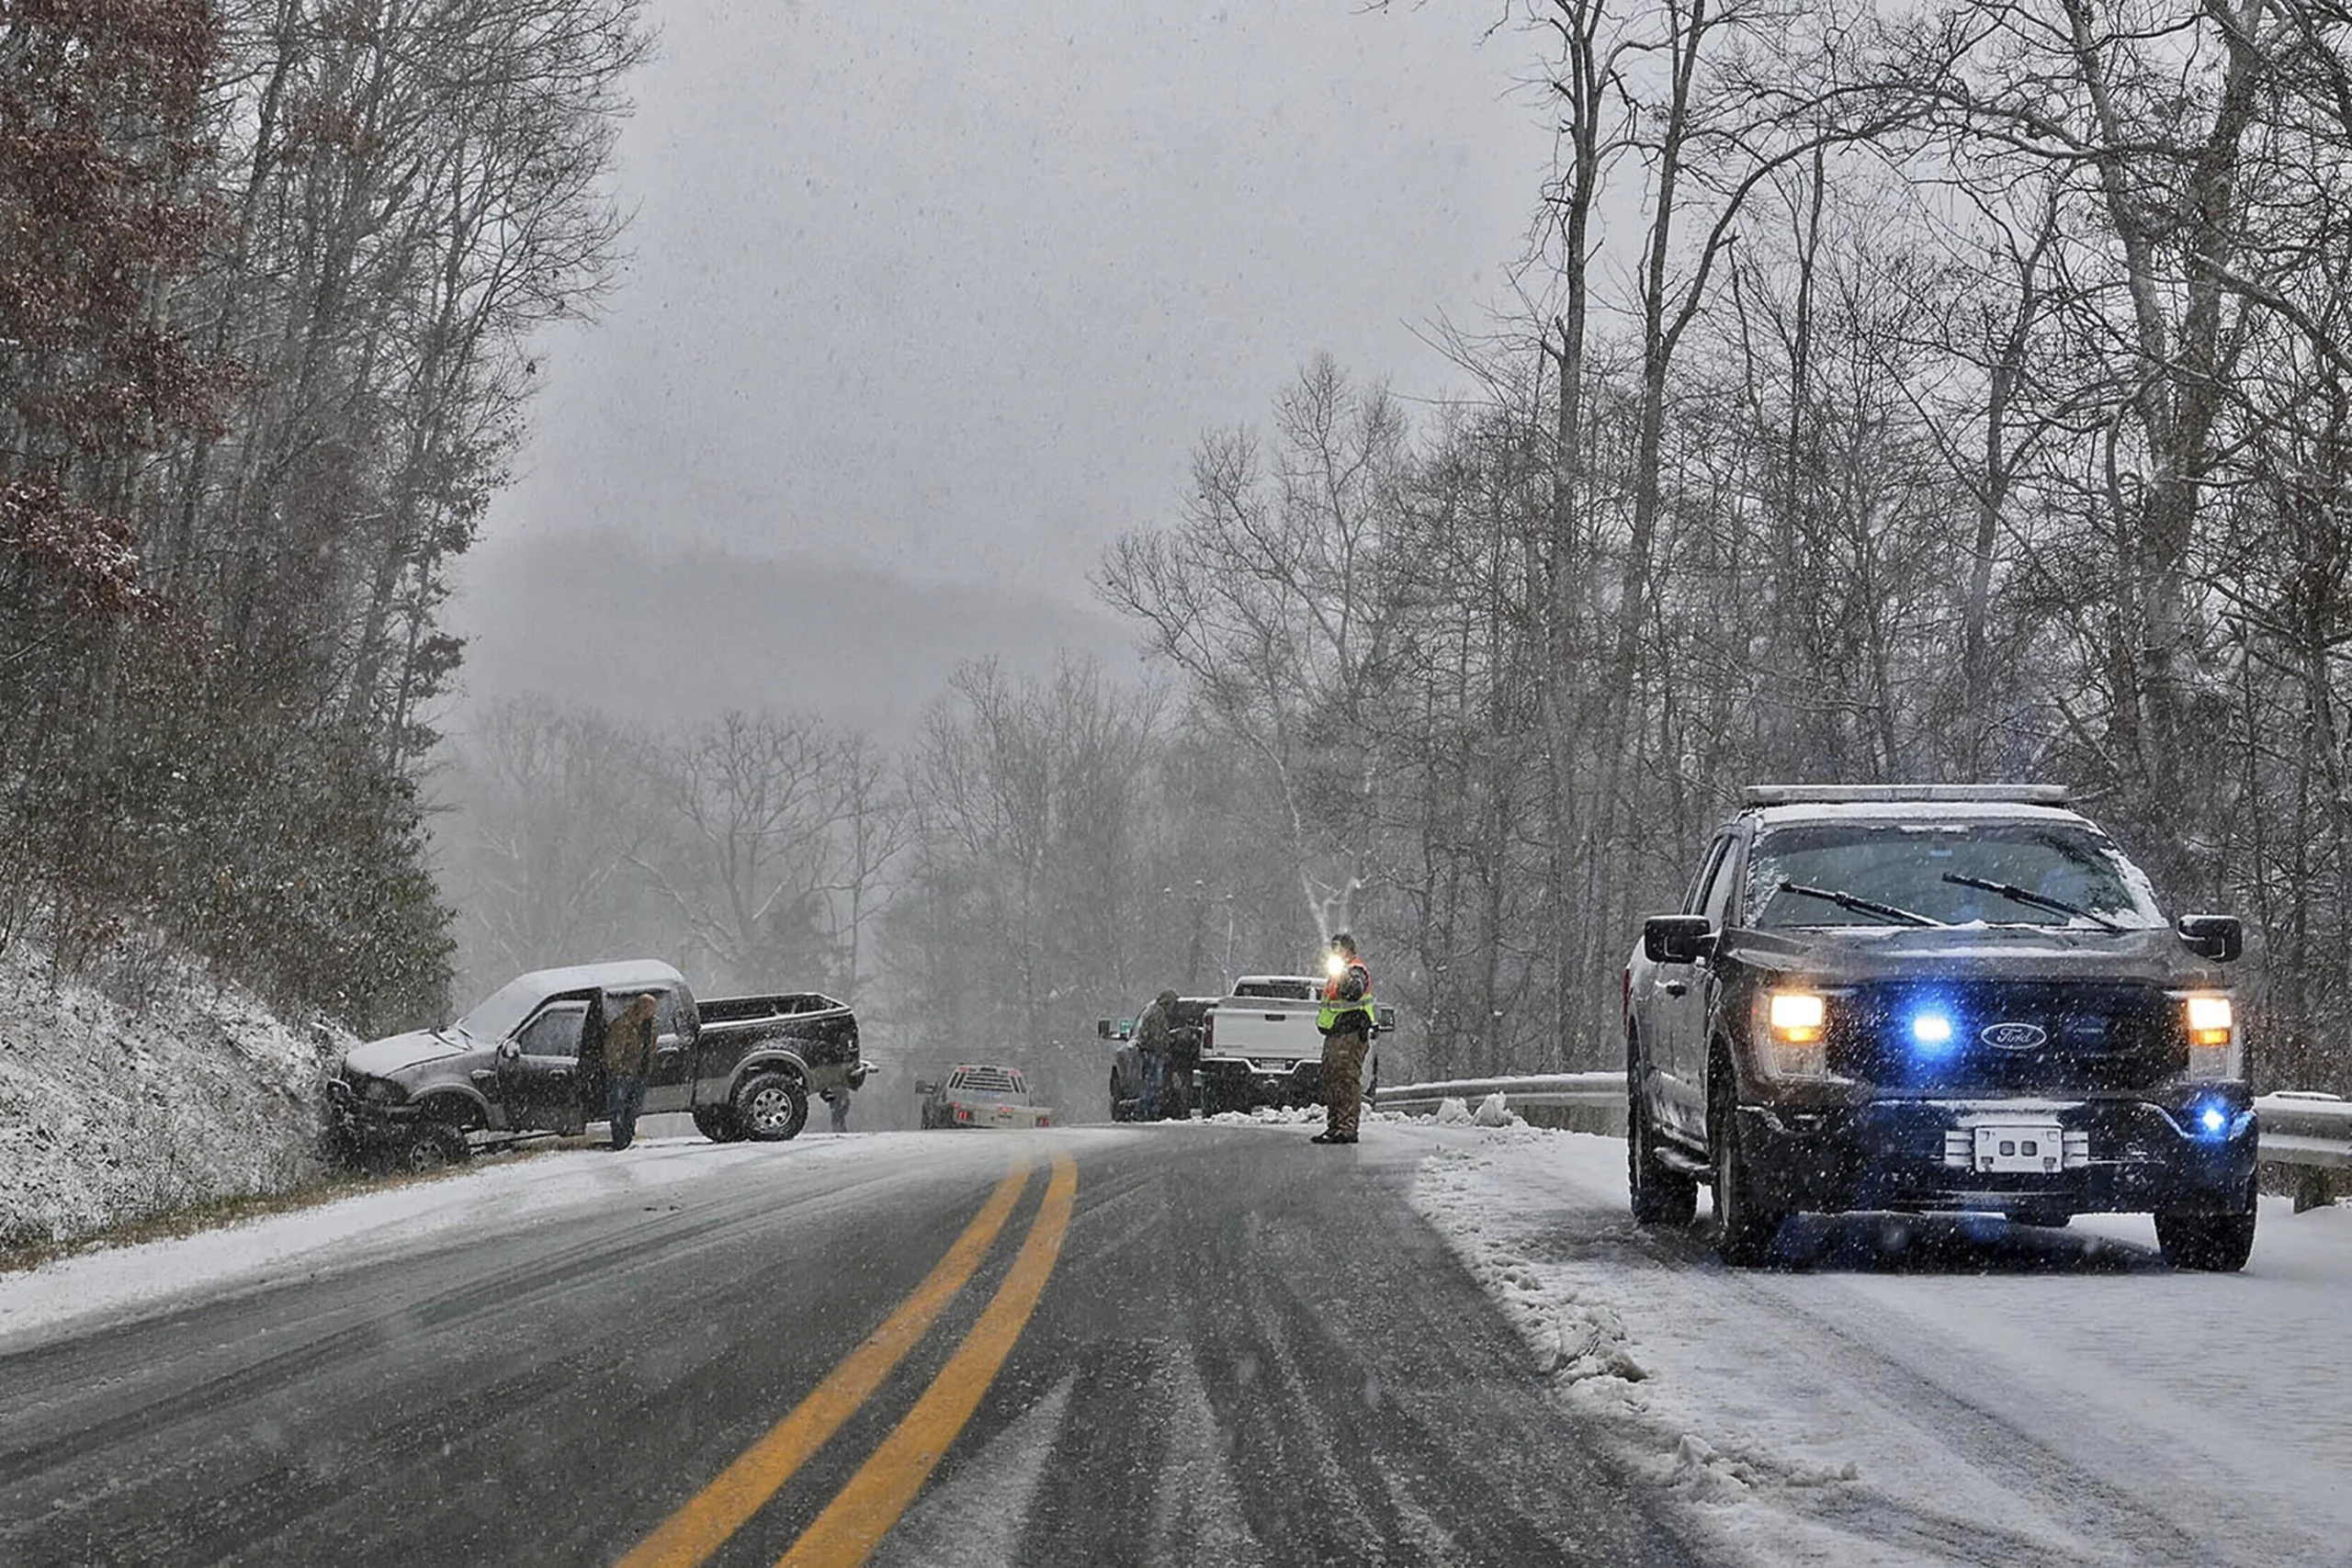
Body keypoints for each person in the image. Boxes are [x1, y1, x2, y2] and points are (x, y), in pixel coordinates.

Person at [1312, 934, 1374, 1145]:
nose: (1334, 953)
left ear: (1348, 950)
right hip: (1335, 1033)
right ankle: (1334, 1127)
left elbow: (1354, 992)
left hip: (1351, 1033)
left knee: (1347, 1079)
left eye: (1338, 949)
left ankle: (1347, 1128)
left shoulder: (1357, 971)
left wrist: (1343, 975)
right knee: (1331, 1079)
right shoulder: (1335, 974)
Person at [605, 992, 659, 1150]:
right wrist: (618, 1069)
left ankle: (627, 1137)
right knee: (618, 1108)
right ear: (642, 1007)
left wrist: (647, 1067)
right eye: (650, 1008)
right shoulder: (623, 1024)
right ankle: (620, 1141)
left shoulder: (652, 1025)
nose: (653, 1011)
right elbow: (613, 1050)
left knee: (634, 1108)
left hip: (640, 1073)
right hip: (623, 1074)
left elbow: (652, 1048)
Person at [1134, 989, 1176, 1121]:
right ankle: (1147, 1112)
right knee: (1154, 1084)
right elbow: (1158, 1036)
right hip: (1153, 1052)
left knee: (1151, 1084)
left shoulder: (1153, 1011)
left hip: (1150, 1051)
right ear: (1167, 1002)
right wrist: (1168, 1043)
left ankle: (1146, 1112)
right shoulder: (1157, 1014)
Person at [1163, 1000, 1200, 1121]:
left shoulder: (1169, 1021)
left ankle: (1178, 1110)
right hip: (1185, 1063)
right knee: (1184, 1086)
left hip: (1177, 1063)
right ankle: (1182, 1110)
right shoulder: (1193, 1034)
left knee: (1179, 1087)